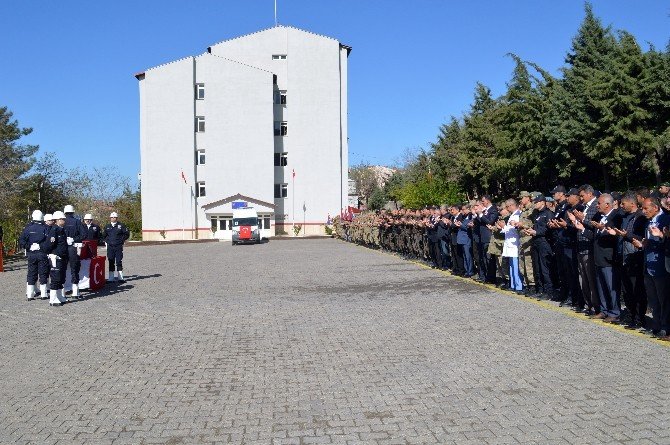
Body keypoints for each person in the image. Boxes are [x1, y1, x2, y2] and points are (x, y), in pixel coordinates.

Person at [611, 193, 647, 329]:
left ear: (632, 203)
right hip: (623, 257)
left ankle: (639, 318)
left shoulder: (640, 218)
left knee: (636, 289)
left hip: (635, 257)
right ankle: (631, 315)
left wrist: (627, 236)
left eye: (623, 203)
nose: (621, 206)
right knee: (627, 290)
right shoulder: (624, 217)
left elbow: (642, 237)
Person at [586, 194, 622, 322]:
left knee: (611, 286)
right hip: (598, 257)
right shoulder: (599, 216)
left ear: (607, 204)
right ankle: (603, 310)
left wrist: (604, 229)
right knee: (601, 286)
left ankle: (614, 312)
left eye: (599, 203)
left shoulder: (616, 216)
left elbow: (616, 236)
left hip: (609, 258)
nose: (597, 205)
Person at [641, 197, 670, 337]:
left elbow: (666, 241)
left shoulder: (665, 219)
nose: (643, 211)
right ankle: (656, 324)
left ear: (655, 207)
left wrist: (661, 236)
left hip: (660, 265)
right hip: (648, 263)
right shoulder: (649, 221)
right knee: (653, 299)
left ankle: (665, 326)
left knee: (663, 298)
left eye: (646, 208)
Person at [523, 195, 555, 299]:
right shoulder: (536, 213)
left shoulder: (548, 213)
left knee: (544, 268)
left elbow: (549, 229)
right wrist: (530, 230)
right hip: (535, 242)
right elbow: (535, 226)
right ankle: (540, 290)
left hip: (544, 242)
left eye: (536, 202)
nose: (534, 204)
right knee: (537, 268)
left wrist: (536, 232)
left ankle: (548, 291)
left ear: (542, 202)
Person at [18, 210, 51, 301]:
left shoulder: (28, 228)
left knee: (31, 273)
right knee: (43, 273)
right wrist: (40, 246)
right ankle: (44, 294)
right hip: (42, 253)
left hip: (31, 254)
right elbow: (49, 242)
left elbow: (21, 240)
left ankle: (30, 294)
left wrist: (29, 246)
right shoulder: (46, 228)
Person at [63, 204, 86, 298]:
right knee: (74, 269)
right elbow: (83, 235)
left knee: (62, 269)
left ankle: (62, 292)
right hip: (73, 248)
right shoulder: (77, 222)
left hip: (62, 249)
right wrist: (74, 239)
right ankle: (75, 292)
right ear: (73, 212)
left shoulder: (61, 221)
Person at [475, 195, 499, 283]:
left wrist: (481, 214)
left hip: (488, 237)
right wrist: (478, 214)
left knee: (489, 259)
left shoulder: (493, 210)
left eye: (483, 201)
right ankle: (486, 276)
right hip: (482, 237)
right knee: (484, 258)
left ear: (488, 201)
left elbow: (490, 221)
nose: (482, 203)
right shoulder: (484, 210)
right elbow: (479, 222)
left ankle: (491, 277)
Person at [47, 211, 69, 306]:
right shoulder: (54, 230)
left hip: (62, 257)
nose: (64, 220)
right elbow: (50, 244)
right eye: (62, 219)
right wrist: (52, 253)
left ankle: (59, 296)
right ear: (57, 220)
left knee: (61, 278)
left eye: (64, 219)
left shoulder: (62, 229)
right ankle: (53, 298)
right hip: (56, 257)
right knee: (55, 278)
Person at [501, 199, 523, 294]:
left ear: (511, 205)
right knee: (511, 266)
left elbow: (516, 229)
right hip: (509, 244)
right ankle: (513, 285)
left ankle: (518, 285)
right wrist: (503, 227)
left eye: (507, 207)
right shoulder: (512, 215)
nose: (507, 209)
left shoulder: (518, 214)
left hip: (514, 244)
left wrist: (504, 227)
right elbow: (509, 229)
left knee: (515, 266)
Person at [104, 212, 130, 282]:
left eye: (114, 217)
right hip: (110, 247)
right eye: (112, 217)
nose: (113, 218)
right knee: (111, 261)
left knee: (119, 261)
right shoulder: (107, 226)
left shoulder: (121, 225)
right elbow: (104, 236)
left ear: (117, 218)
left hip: (118, 246)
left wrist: (121, 240)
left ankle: (120, 277)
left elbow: (127, 234)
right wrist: (108, 241)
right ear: (110, 218)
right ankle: (111, 278)